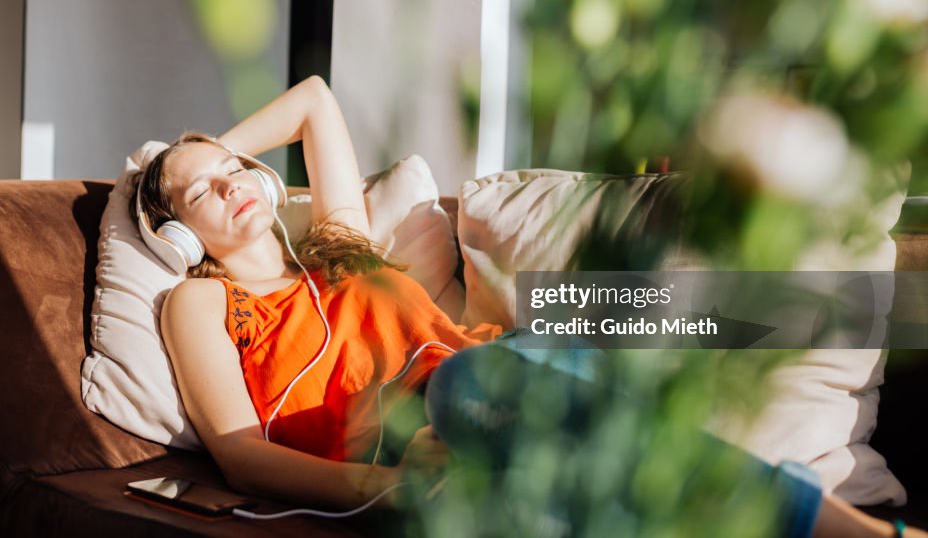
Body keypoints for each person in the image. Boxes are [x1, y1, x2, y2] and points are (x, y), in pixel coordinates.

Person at [133, 75, 919, 538]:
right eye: (199, 191)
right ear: (174, 232)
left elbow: (314, 99)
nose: (231, 183)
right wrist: (389, 487)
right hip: (436, 440)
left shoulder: (340, 248)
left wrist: (207, 152)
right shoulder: (198, 301)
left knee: (562, 355)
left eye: (236, 168)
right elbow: (240, 454)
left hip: (514, 365)